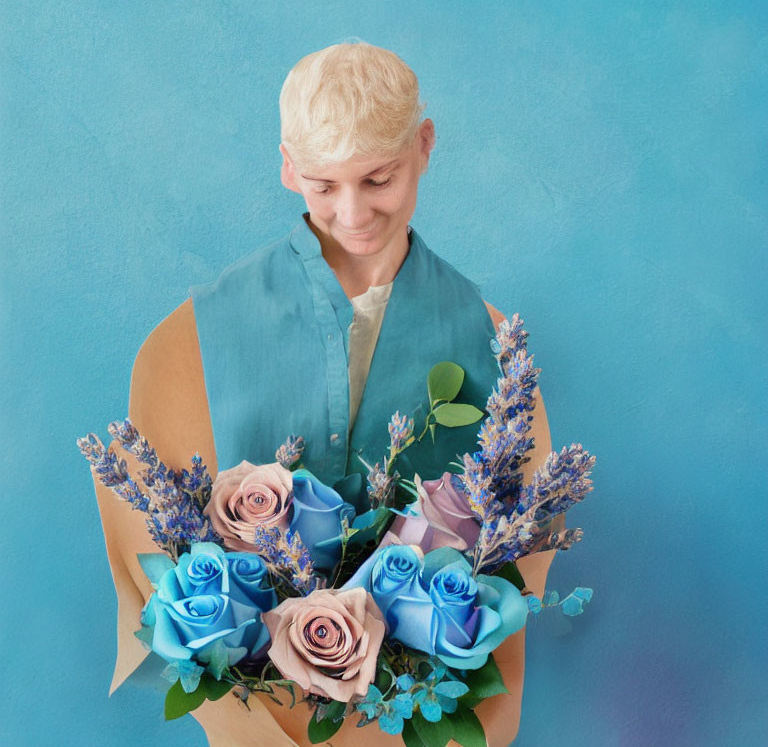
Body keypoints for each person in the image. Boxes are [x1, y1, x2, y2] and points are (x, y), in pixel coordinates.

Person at [92, 41, 558, 747]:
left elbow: (510, 559)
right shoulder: (193, 338)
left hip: (416, 715)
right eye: (322, 184)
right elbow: (154, 548)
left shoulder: (492, 343)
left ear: (424, 146)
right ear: (287, 166)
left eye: (379, 178)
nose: (353, 212)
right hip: (258, 718)